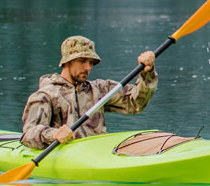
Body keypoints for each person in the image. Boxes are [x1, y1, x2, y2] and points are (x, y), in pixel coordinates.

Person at [20, 35, 159, 149]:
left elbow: (135, 103)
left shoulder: (99, 90)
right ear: (67, 62)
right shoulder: (45, 95)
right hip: (64, 154)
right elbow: (28, 134)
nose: (88, 67)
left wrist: (147, 73)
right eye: (82, 61)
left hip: (98, 152)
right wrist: (53, 134)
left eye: (91, 63)